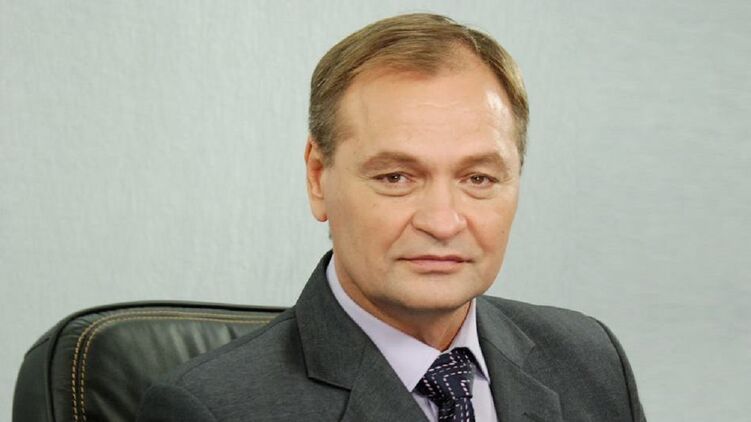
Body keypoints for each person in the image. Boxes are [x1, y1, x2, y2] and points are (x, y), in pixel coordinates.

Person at [137, 13, 646, 422]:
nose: (443, 222)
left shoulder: (590, 359)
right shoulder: (212, 409)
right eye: (396, 177)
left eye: (478, 178)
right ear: (318, 177)